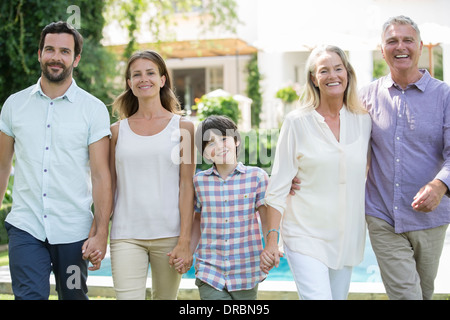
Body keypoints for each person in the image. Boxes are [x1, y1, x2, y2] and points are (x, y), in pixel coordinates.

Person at [0, 21, 112, 300]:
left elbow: (101, 176)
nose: (55, 57)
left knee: (73, 296)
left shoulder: (93, 110)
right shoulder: (14, 105)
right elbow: (2, 166)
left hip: (74, 233)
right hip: (26, 227)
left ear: (76, 58)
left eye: (64, 51)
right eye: (49, 49)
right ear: (39, 54)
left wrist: (100, 233)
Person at [262, 45, 372, 300]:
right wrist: (271, 241)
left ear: (348, 73)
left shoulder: (364, 120)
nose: (332, 75)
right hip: (305, 233)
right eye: (324, 70)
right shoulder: (297, 122)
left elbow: (365, 172)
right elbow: (277, 187)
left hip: (346, 236)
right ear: (314, 78)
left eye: (338, 68)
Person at [359, 15, 450, 300]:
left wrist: (439, 186)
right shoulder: (366, 96)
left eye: (408, 40)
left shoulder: (444, 96)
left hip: (430, 219)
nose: (401, 46)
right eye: (392, 41)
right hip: (382, 215)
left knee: (423, 293)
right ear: (382, 49)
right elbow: (340, 145)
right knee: (406, 296)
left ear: (420, 46)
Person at [109, 50, 195, 300]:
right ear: (129, 83)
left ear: (162, 79)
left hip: (170, 235)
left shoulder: (184, 128)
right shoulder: (116, 131)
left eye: (150, 73)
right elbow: (109, 184)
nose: (143, 79)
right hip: (126, 234)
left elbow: (186, 186)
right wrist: (99, 230)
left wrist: (185, 240)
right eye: (136, 74)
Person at [190, 115, 269, 300]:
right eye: (210, 143)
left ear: (236, 140)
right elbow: (196, 221)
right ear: (204, 153)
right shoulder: (199, 182)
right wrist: (187, 251)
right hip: (209, 269)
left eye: (224, 139)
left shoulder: (257, 177)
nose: (218, 146)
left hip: (246, 269)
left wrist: (271, 245)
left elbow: (266, 219)